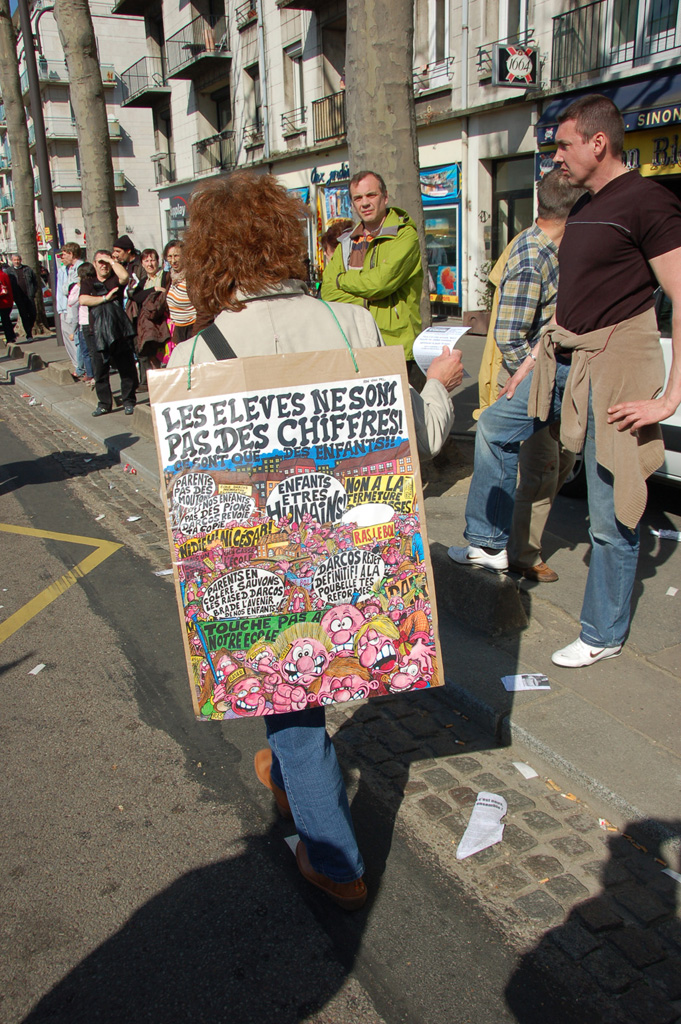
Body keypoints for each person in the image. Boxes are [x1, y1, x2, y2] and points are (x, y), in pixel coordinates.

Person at [167, 171, 464, 909]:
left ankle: (336, 865)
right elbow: (416, 441)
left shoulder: (193, 358)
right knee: (321, 674)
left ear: (208, 256)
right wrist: (440, 384)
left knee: (291, 699)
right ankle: (304, 802)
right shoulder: (350, 325)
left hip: (264, 560)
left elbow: (192, 498)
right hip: (351, 550)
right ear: (286, 238)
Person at [448, 94, 681, 668]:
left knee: (609, 511)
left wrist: (670, 398)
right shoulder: (585, 207)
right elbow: (569, 305)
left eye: (564, 144)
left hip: (612, 371)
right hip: (557, 363)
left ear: (598, 143)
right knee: (494, 427)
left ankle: (602, 632)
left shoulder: (649, 201)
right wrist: (526, 367)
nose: (556, 156)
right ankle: (489, 542)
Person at [464, 169, 582, 583]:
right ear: (574, 210)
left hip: (540, 377)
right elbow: (511, 334)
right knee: (538, 466)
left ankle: (508, 547)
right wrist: (534, 385)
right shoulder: (534, 255)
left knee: (551, 467)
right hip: (529, 379)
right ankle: (506, 549)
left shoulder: (550, 248)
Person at [320, 170, 423, 364]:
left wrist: (342, 280)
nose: (365, 203)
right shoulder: (347, 242)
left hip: (396, 345)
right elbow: (328, 292)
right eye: (358, 198)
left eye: (371, 195)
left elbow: (380, 283)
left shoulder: (404, 235)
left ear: (385, 198)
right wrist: (371, 296)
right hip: (355, 344)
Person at [79, 251, 138, 417]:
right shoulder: (88, 281)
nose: (103, 265)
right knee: (100, 371)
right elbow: (83, 300)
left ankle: (129, 401)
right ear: (94, 264)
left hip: (118, 331)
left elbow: (125, 276)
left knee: (126, 369)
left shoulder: (114, 279)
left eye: (105, 262)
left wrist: (111, 261)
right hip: (96, 332)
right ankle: (104, 404)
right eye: (100, 262)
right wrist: (105, 298)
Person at [126, 247, 170, 385]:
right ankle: (160, 384)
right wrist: (154, 290)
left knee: (168, 354)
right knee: (152, 354)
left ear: (158, 261)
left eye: (152, 260)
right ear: (142, 264)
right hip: (149, 324)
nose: (150, 264)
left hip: (165, 320)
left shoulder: (166, 276)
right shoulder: (143, 281)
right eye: (146, 261)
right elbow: (137, 297)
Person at [56, 242, 90, 381]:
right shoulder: (67, 269)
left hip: (77, 310)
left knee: (79, 340)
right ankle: (80, 368)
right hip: (68, 308)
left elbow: (69, 289)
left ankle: (81, 369)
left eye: (64, 254)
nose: (61, 257)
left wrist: (68, 288)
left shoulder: (79, 268)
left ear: (71, 254)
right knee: (76, 340)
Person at [164, 239, 197, 345]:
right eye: (169, 256)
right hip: (177, 329)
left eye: (176, 256)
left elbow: (202, 308)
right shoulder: (171, 275)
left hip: (192, 329)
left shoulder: (191, 276)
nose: (173, 261)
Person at [9, 253, 39, 339]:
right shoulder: (9, 271)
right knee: (24, 315)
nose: (17, 262)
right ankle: (29, 334)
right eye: (15, 260)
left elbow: (35, 281)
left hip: (29, 296)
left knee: (33, 314)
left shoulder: (27, 269)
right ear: (12, 261)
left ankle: (29, 327)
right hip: (18, 297)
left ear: (21, 260)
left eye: (18, 260)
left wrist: (33, 291)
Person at [0, 261, 16, 346]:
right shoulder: (4, 274)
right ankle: (11, 336)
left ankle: (9, 337)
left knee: (5, 320)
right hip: (8, 301)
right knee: (6, 320)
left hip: (3, 302)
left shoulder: (1, 276)